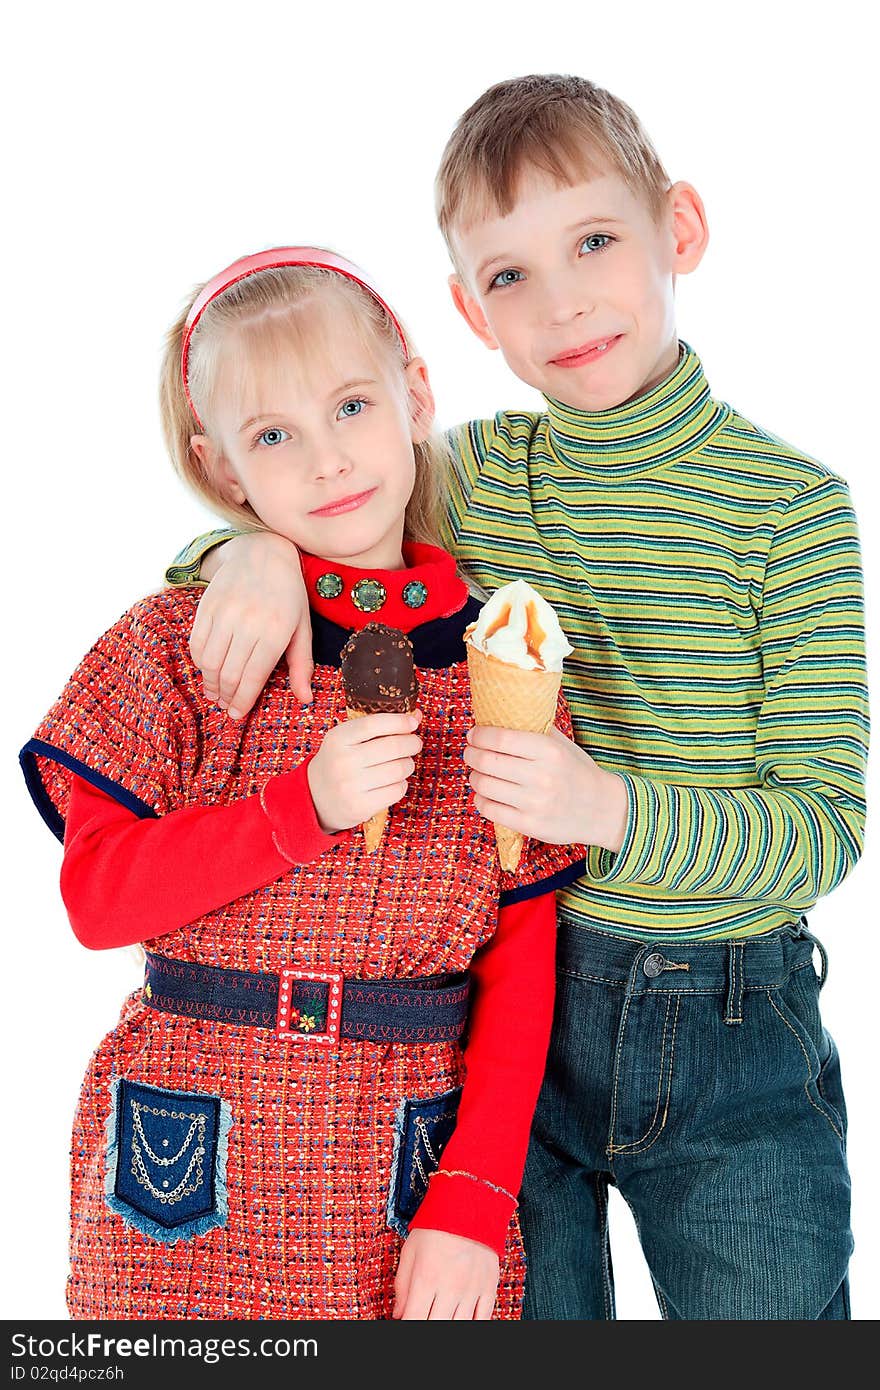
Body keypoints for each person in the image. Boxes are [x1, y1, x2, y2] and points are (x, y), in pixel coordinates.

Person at [158, 76, 870, 1321]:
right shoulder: (471, 476)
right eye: (508, 276)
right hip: (502, 1017)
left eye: (593, 241)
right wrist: (244, 554)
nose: (563, 301)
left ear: (679, 231)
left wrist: (609, 807)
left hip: (734, 1023)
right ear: (465, 315)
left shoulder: (790, 509)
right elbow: (322, 496)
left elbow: (822, 827)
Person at [19, 246, 586, 1321]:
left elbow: (520, 968)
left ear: (416, 394)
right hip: (187, 1147)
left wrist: (471, 1196)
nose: (328, 461)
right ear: (223, 467)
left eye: (352, 407)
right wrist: (301, 810)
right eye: (274, 435)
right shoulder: (175, 648)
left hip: (404, 1161)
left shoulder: (505, 669)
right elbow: (97, 901)